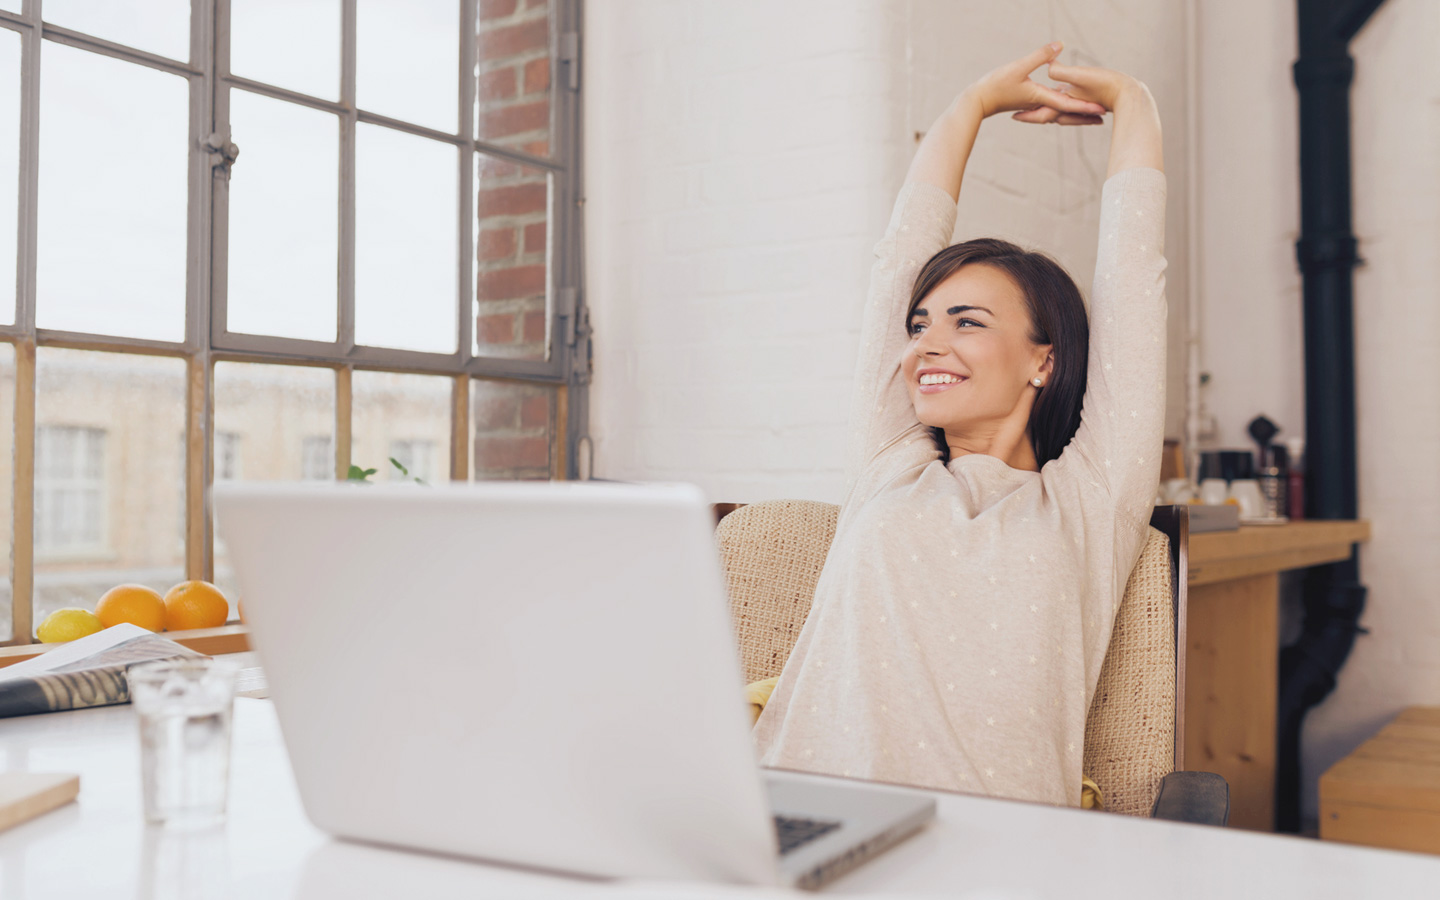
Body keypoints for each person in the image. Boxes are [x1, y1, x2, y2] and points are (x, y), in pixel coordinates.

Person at [751, 42, 1167, 808]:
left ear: (1043, 360)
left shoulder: (1088, 503)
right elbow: (895, 264)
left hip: (995, 855)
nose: (926, 346)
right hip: (800, 818)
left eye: (966, 322)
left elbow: (1135, 288)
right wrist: (968, 107)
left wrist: (1134, 105)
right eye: (919, 326)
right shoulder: (890, 463)